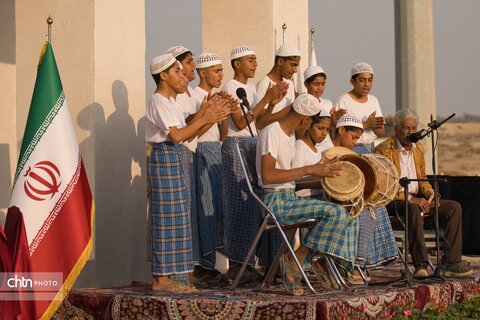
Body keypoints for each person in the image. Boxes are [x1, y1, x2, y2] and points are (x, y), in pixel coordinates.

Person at [257, 93, 358, 295]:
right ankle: (298, 259)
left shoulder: (288, 135)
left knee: (349, 213)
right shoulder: (272, 132)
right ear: (304, 120)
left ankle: (327, 263)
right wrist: (309, 169)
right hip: (275, 201)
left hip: (289, 198)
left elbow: (292, 178)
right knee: (335, 213)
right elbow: (268, 176)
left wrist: (324, 175)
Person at [145, 53, 228, 293]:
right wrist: (206, 116)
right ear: (163, 75)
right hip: (166, 157)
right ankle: (161, 279)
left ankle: (174, 277)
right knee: (166, 219)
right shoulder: (159, 101)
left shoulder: (169, 102)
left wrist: (208, 117)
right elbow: (177, 136)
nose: (184, 77)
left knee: (180, 219)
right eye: (178, 72)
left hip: (178, 157)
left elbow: (188, 135)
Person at [375, 108, 472, 278]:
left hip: (417, 199)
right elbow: (385, 186)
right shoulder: (383, 150)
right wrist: (412, 199)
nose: (411, 132)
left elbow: (422, 178)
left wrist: (428, 193)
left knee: (453, 207)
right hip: (394, 201)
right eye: (406, 128)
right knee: (412, 209)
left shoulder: (418, 149)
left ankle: (451, 262)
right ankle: (420, 264)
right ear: (397, 128)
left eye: (413, 128)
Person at [221, 45, 287, 282]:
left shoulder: (250, 88)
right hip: (236, 146)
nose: (255, 64)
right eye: (250, 60)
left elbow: (259, 122)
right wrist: (266, 99)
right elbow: (240, 123)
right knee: (239, 206)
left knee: (255, 205)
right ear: (237, 63)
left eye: (256, 60)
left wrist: (272, 102)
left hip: (251, 145)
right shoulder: (231, 87)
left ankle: (259, 262)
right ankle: (239, 263)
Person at [330, 114, 398, 280]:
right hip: (330, 198)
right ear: (341, 130)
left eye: (357, 139)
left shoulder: (349, 153)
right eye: (353, 138)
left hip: (344, 198)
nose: (355, 143)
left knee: (375, 207)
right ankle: (356, 265)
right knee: (366, 211)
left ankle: (362, 262)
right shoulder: (328, 150)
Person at [190, 52, 232, 286]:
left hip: (216, 149)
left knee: (217, 208)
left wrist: (222, 111)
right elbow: (193, 129)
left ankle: (214, 262)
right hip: (201, 150)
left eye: (221, 70)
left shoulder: (216, 95)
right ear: (202, 73)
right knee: (204, 206)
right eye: (216, 71)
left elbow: (223, 132)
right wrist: (210, 113)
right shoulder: (194, 96)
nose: (220, 75)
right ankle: (204, 265)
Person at [335, 62, 385, 154]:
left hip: (370, 148)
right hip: (351, 148)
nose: (366, 84)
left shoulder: (374, 100)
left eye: (370, 80)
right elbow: (339, 131)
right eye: (362, 80)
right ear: (352, 81)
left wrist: (375, 126)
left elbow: (381, 132)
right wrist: (366, 124)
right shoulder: (344, 100)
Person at [302, 65, 345, 153]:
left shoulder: (327, 103)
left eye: (323, 84)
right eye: (316, 84)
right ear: (306, 84)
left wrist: (334, 123)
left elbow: (332, 132)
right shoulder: (302, 103)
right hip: (308, 148)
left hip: (327, 147)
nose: (320, 88)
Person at [255, 43, 298, 128]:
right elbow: (261, 122)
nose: (295, 70)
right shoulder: (264, 84)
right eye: (292, 65)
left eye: (296, 66)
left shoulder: (289, 84)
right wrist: (293, 107)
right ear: (280, 61)